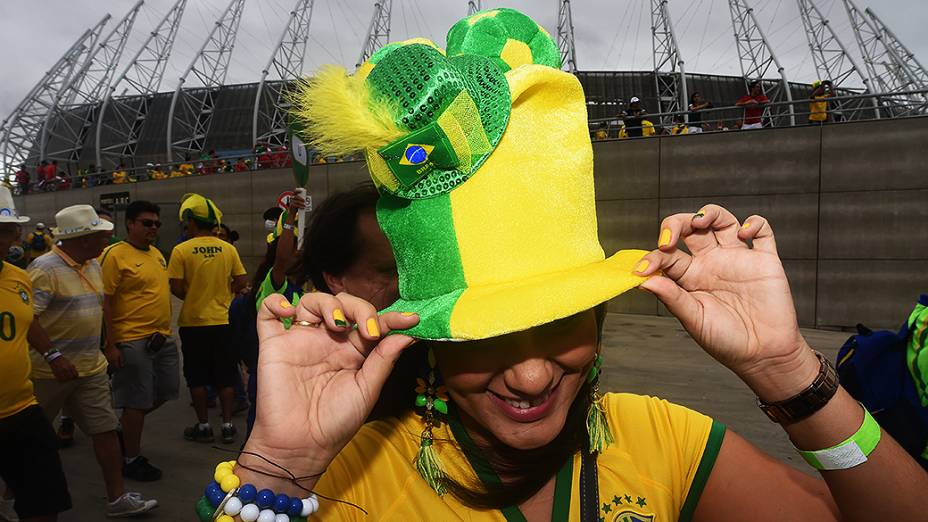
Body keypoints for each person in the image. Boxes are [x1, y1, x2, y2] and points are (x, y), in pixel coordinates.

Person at [205, 11, 926, 522]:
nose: (530, 373)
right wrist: (279, 468)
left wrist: (786, 370)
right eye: (484, 332)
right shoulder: (354, 480)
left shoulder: (657, 440)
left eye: (562, 318)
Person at [27, 205, 157, 517]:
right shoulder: (44, 269)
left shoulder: (94, 263)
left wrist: (108, 345)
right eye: (103, 237)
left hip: (91, 368)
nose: (107, 242)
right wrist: (53, 355)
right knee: (31, 441)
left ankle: (117, 498)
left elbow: (101, 308)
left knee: (105, 432)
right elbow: (27, 319)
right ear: (84, 239)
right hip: (48, 373)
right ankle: (10, 499)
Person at [0, 187, 72, 522]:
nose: (1, 239)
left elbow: (27, 322)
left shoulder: (19, 279)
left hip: (21, 409)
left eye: (4, 231)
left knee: (44, 501)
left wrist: (53, 354)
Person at [99, 201, 178, 482]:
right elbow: (105, 301)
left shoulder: (157, 254)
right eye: (147, 223)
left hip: (162, 338)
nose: (153, 228)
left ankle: (124, 429)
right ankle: (131, 459)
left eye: (157, 223)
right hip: (131, 339)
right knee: (136, 400)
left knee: (167, 390)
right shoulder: (115, 254)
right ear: (130, 224)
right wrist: (110, 344)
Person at [167, 194, 248, 444]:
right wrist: (223, 293)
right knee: (226, 375)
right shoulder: (228, 248)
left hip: (193, 323)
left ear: (190, 221)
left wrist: (194, 295)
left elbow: (176, 287)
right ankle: (226, 425)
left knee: (197, 376)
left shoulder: (181, 250)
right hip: (223, 321)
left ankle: (203, 426)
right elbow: (241, 281)